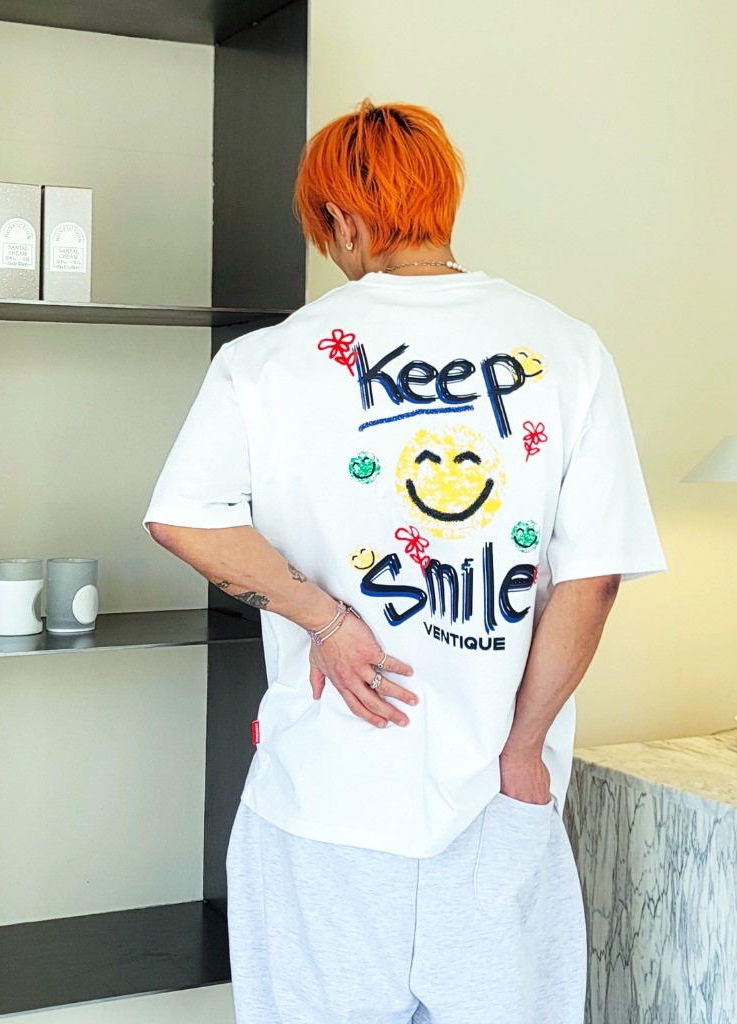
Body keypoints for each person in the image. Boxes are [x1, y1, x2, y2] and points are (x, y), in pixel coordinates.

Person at [143, 99, 666, 1024]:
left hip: (323, 802)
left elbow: (185, 520)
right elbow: (594, 580)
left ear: (341, 219)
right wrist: (520, 751)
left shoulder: (268, 361)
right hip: (500, 800)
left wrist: (329, 623)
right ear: (441, 201)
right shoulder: (568, 350)